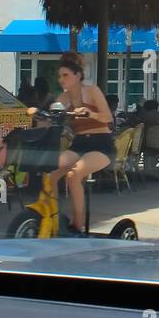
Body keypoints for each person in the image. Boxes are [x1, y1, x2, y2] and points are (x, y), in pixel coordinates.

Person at [47, 55, 114, 236]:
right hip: (79, 143)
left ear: (78, 76)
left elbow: (108, 118)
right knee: (50, 172)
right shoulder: (63, 97)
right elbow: (53, 116)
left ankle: (78, 225)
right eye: (60, 76)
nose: (61, 80)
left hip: (101, 144)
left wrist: (90, 113)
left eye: (65, 75)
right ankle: (51, 218)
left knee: (74, 174)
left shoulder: (92, 91)